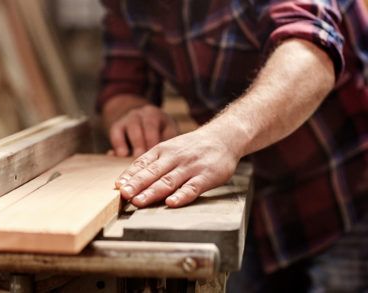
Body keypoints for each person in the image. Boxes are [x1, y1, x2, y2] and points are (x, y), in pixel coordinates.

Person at [97, 0, 368, 291]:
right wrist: (132, 114)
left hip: (345, 193)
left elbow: (311, 52)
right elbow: (121, 85)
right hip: (253, 202)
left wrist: (222, 140)